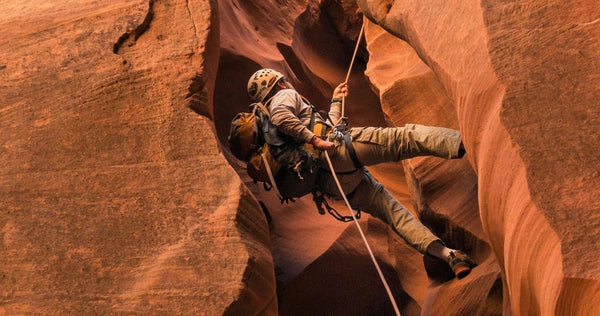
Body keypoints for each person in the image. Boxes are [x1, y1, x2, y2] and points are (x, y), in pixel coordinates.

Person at [246, 68, 476, 279]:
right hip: (340, 153)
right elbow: (284, 118)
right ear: (278, 83)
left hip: (334, 184)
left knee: (393, 213)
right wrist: (315, 140)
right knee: (405, 139)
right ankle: (474, 142)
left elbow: (327, 126)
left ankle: (450, 256)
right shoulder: (282, 97)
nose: (287, 82)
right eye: (283, 79)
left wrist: (336, 100)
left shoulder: (275, 135)